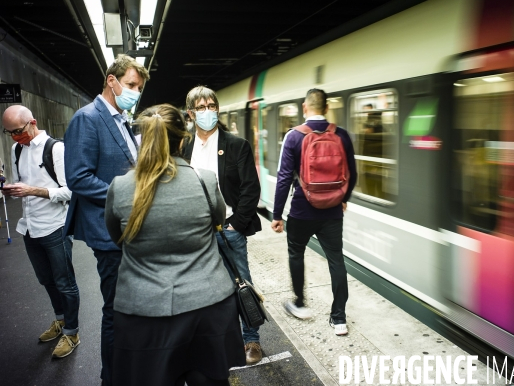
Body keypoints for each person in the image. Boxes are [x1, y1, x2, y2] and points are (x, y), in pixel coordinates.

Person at [105, 104, 244, 386]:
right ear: (183, 139)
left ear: (143, 141)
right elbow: (218, 221)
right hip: (209, 309)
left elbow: (116, 237)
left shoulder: (119, 187)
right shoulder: (204, 181)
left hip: (144, 314)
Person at [63, 54, 149, 385]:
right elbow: (79, 178)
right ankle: (112, 378)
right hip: (109, 232)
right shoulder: (88, 118)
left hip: (127, 229)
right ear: (110, 81)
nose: (134, 92)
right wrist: (129, 196)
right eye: (130, 85)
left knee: (127, 308)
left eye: (138, 88)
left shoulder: (122, 119)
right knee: (115, 311)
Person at [181, 85, 264, 365]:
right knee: (202, 288)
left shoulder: (236, 145)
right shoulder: (184, 147)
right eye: (201, 108)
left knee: (241, 283)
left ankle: (251, 339)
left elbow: (251, 189)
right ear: (191, 113)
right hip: (196, 232)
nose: (208, 112)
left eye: (211, 106)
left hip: (228, 230)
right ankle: (213, 340)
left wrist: (236, 225)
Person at [270, 88, 357, 336]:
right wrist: (343, 198)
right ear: (327, 109)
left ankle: (300, 303)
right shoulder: (341, 135)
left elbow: (284, 178)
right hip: (331, 212)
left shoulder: (294, 136)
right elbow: (352, 173)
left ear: (304, 108)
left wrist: (277, 215)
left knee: (296, 254)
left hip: (301, 210)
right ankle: (339, 319)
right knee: (336, 260)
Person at [1, 105, 80, 358]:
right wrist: (11, 189)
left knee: (65, 283)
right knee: (46, 280)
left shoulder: (56, 149)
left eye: (18, 131)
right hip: (30, 228)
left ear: (32, 122)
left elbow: (71, 191)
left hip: (55, 227)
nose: (15, 137)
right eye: (9, 132)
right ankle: (60, 321)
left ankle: (72, 332)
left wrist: (33, 190)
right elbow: (23, 186)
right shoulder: (17, 149)